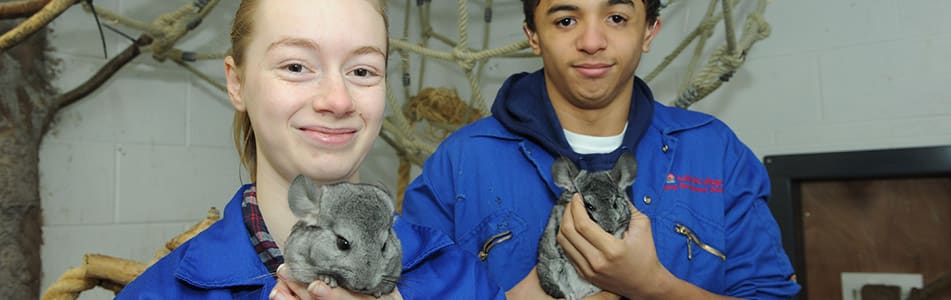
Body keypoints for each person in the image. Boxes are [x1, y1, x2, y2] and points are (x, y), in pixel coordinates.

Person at [400, 0, 801, 298]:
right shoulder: (461, 161)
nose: (591, 42)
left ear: (649, 31)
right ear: (533, 36)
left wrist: (653, 286)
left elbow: (769, 292)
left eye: (616, 18)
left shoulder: (715, 151)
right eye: (566, 20)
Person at [117, 0, 504, 299]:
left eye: (362, 71)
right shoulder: (158, 292)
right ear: (236, 83)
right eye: (296, 67)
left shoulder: (463, 280)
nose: (337, 100)